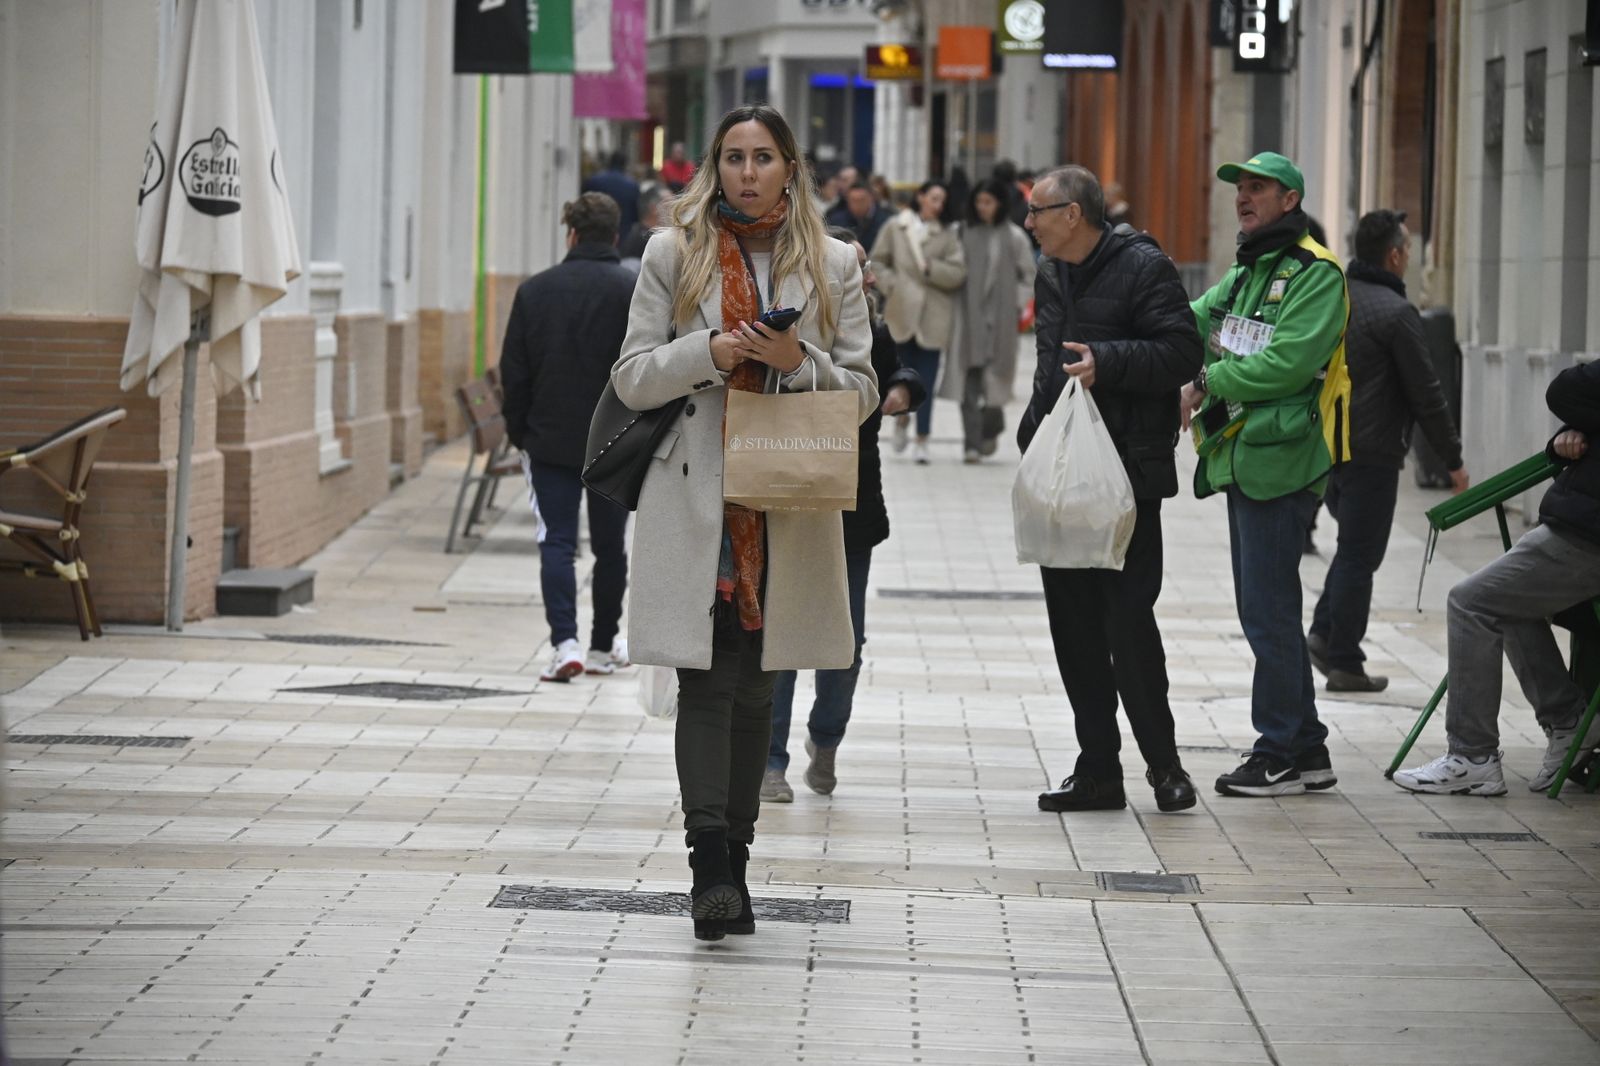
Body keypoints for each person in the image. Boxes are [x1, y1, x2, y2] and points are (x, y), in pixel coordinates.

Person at [612, 105, 878, 940]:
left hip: (786, 497)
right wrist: (712, 354)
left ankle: (740, 857)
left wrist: (799, 364)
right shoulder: (671, 253)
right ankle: (709, 866)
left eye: (764, 157)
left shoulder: (832, 264)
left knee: (761, 681)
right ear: (714, 168)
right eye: (734, 157)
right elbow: (630, 377)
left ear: (790, 168)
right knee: (706, 676)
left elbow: (864, 393)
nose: (749, 172)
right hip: (697, 496)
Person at [1017, 166, 1204, 814]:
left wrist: (1110, 362)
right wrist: (1030, 435)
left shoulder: (1144, 267)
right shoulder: (1050, 273)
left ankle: (1166, 768)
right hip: (1062, 480)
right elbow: (1048, 364)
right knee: (1073, 631)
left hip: (1125, 480)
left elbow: (1183, 352)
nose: (1030, 221)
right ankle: (1097, 770)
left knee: (1128, 624)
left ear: (1074, 214)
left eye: (1038, 210)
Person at [1180, 152, 1349, 798]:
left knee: (1270, 614)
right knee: (1265, 608)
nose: (1244, 198)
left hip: (1283, 461)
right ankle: (1307, 749)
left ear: (1290, 199)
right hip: (1244, 455)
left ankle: (1275, 748)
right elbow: (1199, 320)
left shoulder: (1315, 273)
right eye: (1240, 189)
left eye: (1259, 188)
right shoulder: (1252, 267)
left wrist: (1205, 379)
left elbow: (1287, 362)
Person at [760, 228, 926, 803]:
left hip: (851, 502)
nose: (862, 276)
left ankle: (825, 739)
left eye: (861, 268)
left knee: (845, 637)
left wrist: (901, 391)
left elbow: (898, 374)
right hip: (786, 491)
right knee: (780, 632)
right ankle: (771, 760)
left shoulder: (871, 331)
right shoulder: (779, 331)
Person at [1393, 361, 1600, 794]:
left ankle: (1472, 755)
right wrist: (1569, 436)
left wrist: (1581, 422)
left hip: (1587, 535)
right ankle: (1567, 720)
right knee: (1501, 602)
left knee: (1470, 602)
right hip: (1581, 525)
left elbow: (1564, 391)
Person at [1308, 209, 1470, 693]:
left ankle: (1322, 634)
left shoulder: (1333, 299)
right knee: (1360, 555)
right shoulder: (1397, 313)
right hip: (1372, 453)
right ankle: (1344, 660)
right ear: (1395, 255)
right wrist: (1453, 459)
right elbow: (1428, 394)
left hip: (1327, 449)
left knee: (1352, 549)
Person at [499, 192, 638, 681]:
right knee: (610, 548)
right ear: (615, 236)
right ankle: (603, 645)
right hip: (614, 442)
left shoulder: (535, 291)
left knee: (555, 542)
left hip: (550, 440)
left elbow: (513, 372)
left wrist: (521, 432)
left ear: (571, 234)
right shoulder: (631, 291)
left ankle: (565, 643)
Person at [871, 179, 966, 463]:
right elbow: (877, 261)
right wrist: (892, 285)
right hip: (900, 312)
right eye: (934, 197)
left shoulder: (948, 234)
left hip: (933, 315)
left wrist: (930, 270)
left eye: (942, 200)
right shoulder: (896, 226)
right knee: (899, 376)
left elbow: (958, 272)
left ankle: (923, 437)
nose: (938, 205)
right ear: (921, 197)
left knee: (926, 379)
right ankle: (902, 420)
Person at [943, 177, 1036, 462]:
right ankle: (971, 443)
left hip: (1001, 320)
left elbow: (1029, 275)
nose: (983, 207)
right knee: (969, 384)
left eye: (988, 202)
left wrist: (1017, 304)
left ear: (1000, 204)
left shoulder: (1014, 237)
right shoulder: (961, 232)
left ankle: (992, 425)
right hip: (966, 317)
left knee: (996, 386)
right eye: (979, 201)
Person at [583, 151, 642, 236]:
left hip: (596, 231)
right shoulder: (632, 185)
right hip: (622, 233)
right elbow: (635, 215)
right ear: (625, 164)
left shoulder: (594, 181)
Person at [825, 181, 892, 253]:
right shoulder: (836, 221)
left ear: (871, 198)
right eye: (853, 200)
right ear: (847, 200)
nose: (858, 205)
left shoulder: (886, 221)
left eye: (862, 200)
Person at [620, 183, 668, 264]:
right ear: (654, 208)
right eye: (669, 205)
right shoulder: (645, 240)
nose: (675, 211)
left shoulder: (636, 233)